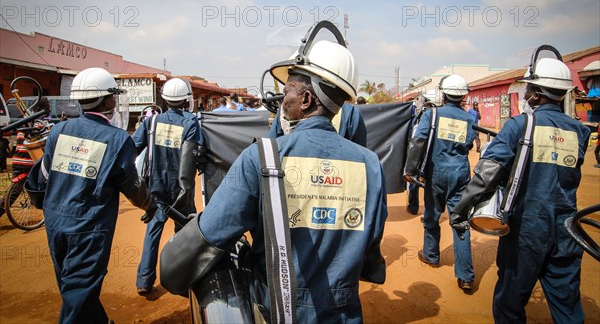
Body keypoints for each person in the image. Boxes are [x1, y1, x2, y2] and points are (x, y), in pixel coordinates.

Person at [160, 39, 388, 322]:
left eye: (288, 91)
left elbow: (211, 235)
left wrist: (172, 269)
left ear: (306, 100)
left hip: (275, 310)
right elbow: (369, 248)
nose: (283, 100)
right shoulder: (370, 165)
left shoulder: (261, 158)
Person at [450, 57, 591, 323]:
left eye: (527, 88)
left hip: (527, 229)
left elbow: (487, 174)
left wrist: (460, 208)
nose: (524, 93)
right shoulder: (579, 131)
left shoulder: (519, 125)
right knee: (567, 304)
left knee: (509, 302)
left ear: (537, 94)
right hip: (567, 228)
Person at [30, 67, 157, 323]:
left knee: (72, 286)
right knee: (78, 293)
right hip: (89, 226)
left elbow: (42, 177)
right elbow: (131, 185)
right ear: (108, 100)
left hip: (55, 222)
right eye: (113, 96)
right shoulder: (119, 139)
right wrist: (150, 206)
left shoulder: (58, 131)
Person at [403, 74, 476, 291]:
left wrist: (410, 170)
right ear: (463, 96)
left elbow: (418, 141)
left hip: (436, 173)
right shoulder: (470, 119)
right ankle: (466, 276)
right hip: (461, 174)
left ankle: (431, 255)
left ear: (443, 94)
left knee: (432, 216)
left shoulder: (431, 115)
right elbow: (469, 145)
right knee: (460, 221)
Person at [132, 78, 201, 295]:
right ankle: (182, 280)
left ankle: (144, 281)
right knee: (184, 234)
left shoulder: (151, 123)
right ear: (186, 100)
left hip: (156, 186)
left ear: (165, 99)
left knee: (153, 231)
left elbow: (132, 148)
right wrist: (184, 190)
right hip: (182, 189)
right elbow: (191, 158)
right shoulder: (191, 123)